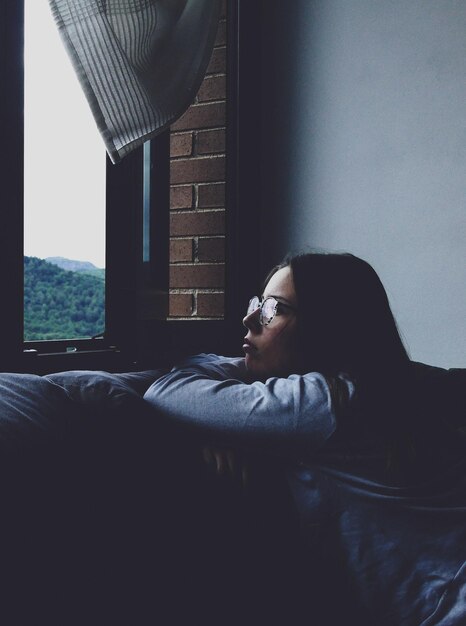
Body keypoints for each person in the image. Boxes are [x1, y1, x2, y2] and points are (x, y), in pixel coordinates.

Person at [144, 252, 466, 625]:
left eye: (274, 309)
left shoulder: (324, 402)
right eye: (257, 305)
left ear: (326, 326)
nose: (249, 319)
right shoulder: (379, 384)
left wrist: (228, 381)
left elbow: (168, 389)